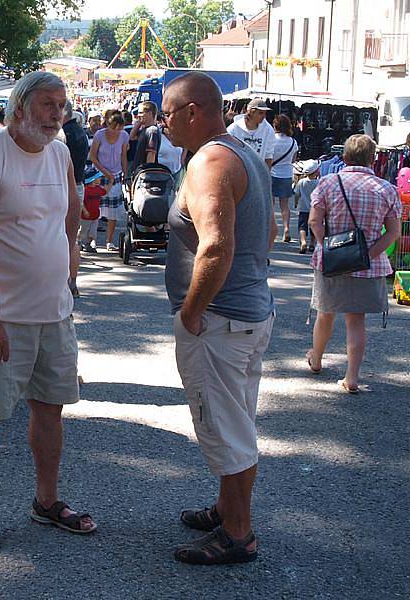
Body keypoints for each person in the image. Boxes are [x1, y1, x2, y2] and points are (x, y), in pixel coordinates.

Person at [0, 71, 96, 553]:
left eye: (62, 105)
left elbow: (71, 215)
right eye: (47, 105)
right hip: (1, 315)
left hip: (52, 313)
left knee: (51, 410)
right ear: (19, 107)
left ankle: (47, 500)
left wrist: (70, 276)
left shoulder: (60, 152)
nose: (57, 114)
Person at [162, 73, 276, 565]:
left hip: (220, 322)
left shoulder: (210, 161)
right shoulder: (241, 153)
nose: (161, 121)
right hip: (247, 315)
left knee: (226, 430)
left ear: (193, 112)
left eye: (167, 112)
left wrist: (192, 311)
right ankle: (228, 508)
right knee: (237, 422)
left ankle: (238, 533)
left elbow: (217, 247)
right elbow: (268, 231)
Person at [306, 134, 402, 393]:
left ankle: (316, 359)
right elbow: (393, 233)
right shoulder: (387, 189)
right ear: (373, 159)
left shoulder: (327, 183)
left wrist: (327, 245)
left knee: (325, 313)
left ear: (344, 157)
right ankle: (352, 378)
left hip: (330, 261)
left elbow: (315, 221)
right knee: (356, 321)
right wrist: (367, 255)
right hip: (367, 265)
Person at [89, 112, 129, 251]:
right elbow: (93, 157)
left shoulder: (124, 136)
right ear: (108, 125)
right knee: (95, 207)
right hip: (100, 174)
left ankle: (109, 241)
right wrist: (105, 172)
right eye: (114, 128)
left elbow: (123, 156)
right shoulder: (99, 135)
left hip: (116, 175)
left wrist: (125, 174)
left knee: (113, 211)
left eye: (120, 128)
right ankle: (92, 239)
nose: (117, 132)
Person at [63, 100, 90, 297]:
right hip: (78, 184)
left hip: (67, 185)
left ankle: (66, 282)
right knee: (72, 237)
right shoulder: (80, 132)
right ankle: (72, 282)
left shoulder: (65, 134)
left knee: (64, 237)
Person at [270, 114, 299, 243]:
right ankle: (286, 228)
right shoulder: (293, 142)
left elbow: (267, 157)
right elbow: (293, 159)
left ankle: (271, 229)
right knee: (285, 206)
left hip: (271, 173)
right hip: (286, 174)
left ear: (275, 125)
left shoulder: (270, 139)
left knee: (270, 204)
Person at [226, 98, 275, 168]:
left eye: (265, 113)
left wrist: (266, 176)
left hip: (258, 172)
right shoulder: (234, 129)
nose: (264, 116)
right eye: (260, 113)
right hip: (239, 171)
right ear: (251, 112)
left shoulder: (268, 130)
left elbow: (268, 155)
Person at [293, 159, 321, 253]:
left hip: (303, 208)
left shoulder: (301, 182)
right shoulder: (319, 183)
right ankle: (312, 244)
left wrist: (296, 203)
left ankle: (303, 241)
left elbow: (297, 194)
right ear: (317, 171)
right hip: (315, 209)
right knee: (313, 226)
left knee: (302, 226)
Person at [130, 101, 160, 172]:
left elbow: (151, 154)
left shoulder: (152, 131)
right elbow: (132, 137)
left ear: (149, 113)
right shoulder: (145, 129)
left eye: (141, 113)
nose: (138, 115)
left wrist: (147, 174)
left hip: (144, 173)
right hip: (139, 171)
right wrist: (139, 122)